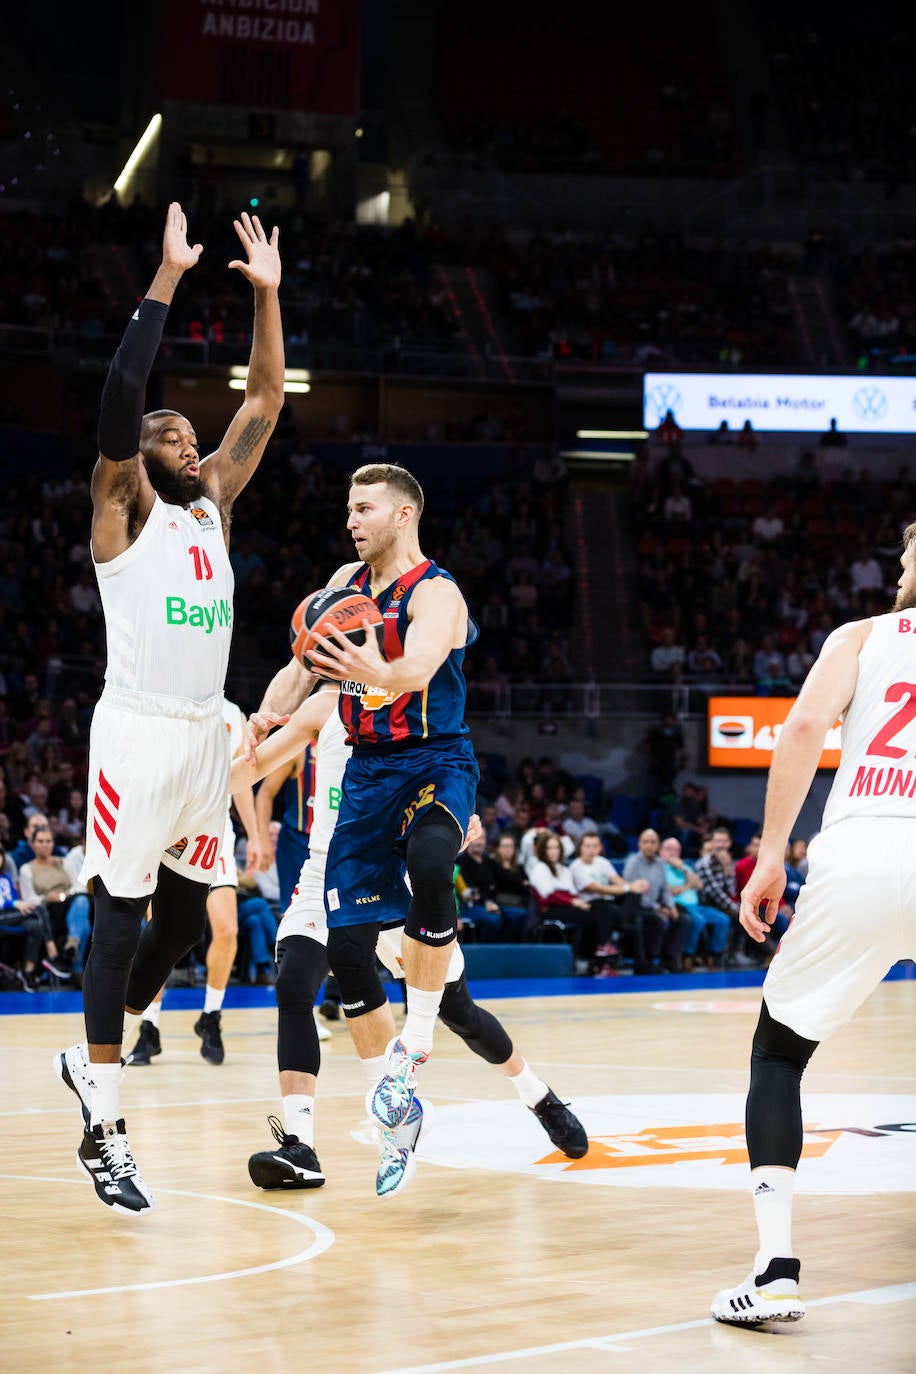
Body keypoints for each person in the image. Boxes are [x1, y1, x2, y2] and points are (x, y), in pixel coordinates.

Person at [54, 203, 285, 1215]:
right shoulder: (117, 508)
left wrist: (268, 298)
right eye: (168, 433)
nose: (185, 439)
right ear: (137, 456)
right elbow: (117, 397)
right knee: (115, 925)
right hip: (137, 731)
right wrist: (167, 278)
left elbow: (266, 401)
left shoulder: (211, 507)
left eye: (190, 433)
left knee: (188, 918)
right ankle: (105, 1126)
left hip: (203, 735)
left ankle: (94, 1048)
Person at [231, 686, 588, 1197]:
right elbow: (246, 770)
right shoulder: (323, 706)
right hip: (326, 872)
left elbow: (448, 779)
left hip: (396, 879)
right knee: (293, 981)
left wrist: (449, 827)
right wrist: (217, 751)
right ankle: (303, 1145)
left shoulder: (419, 708)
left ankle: (538, 1095)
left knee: (459, 1011)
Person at [711, 522, 916, 1327]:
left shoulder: (863, 637)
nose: (900, 566)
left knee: (778, 1052)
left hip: (866, 845)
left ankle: (776, 1270)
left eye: (906, 555)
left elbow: (801, 730)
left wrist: (769, 858)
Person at [127, 700, 268, 1067]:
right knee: (159, 932)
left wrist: (253, 834)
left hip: (214, 833)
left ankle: (211, 1016)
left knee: (227, 929)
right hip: (170, 832)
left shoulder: (232, 714)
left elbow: (243, 779)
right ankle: (149, 1026)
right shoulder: (170, 703)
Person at [569, 832, 648, 973]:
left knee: (634, 897)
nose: (591, 850)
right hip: (590, 908)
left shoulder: (602, 862)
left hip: (610, 908)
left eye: (595, 846)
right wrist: (629, 887)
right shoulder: (576, 867)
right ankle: (610, 941)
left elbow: (619, 881)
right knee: (603, 904)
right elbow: (598, 889)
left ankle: (641, 964)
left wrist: (634, 887)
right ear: (580, 848)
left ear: (600, 848)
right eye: (587, 846)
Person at [658, 835, 730, 970]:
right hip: (678, 905)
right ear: (661, 851)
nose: (672, 853)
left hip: (696, 906)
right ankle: (687, 956)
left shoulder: (684, 866)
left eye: (676, 849)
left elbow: (699, 884)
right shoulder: (659, 867)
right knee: (698, 920)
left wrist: (683, 869)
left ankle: (713, 955)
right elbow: (669, 891)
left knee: (722, 919)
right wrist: (687, 886)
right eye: (669, 849)